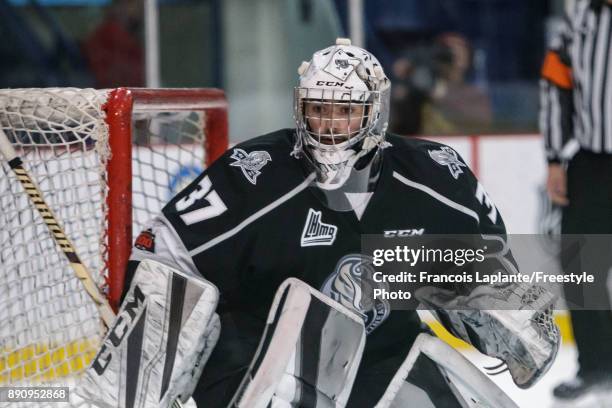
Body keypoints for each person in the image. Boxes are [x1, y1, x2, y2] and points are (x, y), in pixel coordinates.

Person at [124, 38, 557, 407]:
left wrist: (498, 299)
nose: (329, 126)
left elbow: (483, 258)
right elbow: (160, 251)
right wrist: (179, 336)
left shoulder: (436, 175)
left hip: (382, 354)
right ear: (300, 107)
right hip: (266, 358)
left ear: (374, 112)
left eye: (345, 111)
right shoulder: (254, 174)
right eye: (318, 109)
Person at [539, 0, 612, 404]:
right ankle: (598, 365)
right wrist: (554, 157)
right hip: (592, 162)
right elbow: (555, 83)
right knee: (581, 265)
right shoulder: (581, 15)